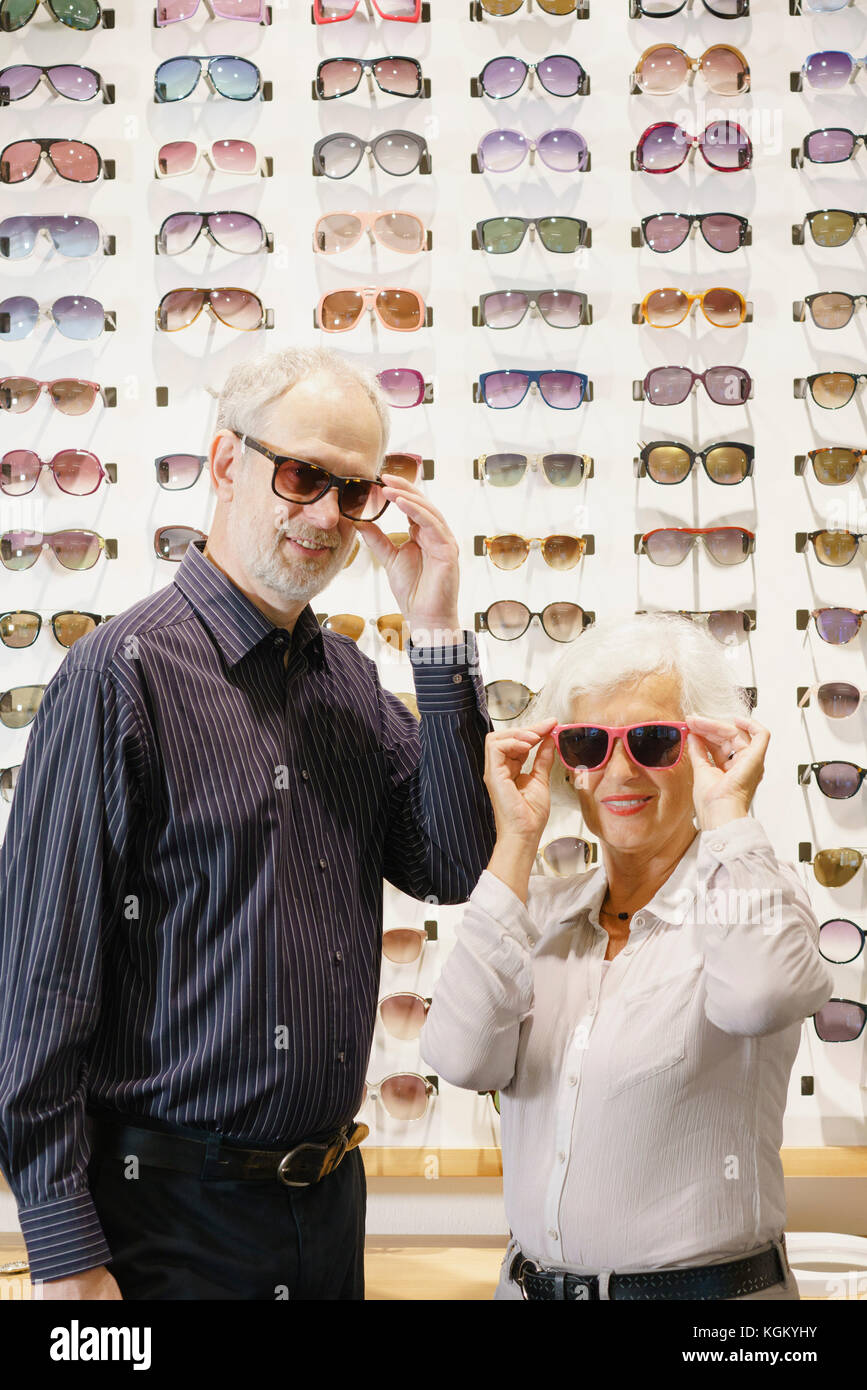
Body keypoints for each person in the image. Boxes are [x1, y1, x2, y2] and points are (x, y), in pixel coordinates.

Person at [0, 345, 496, 1301]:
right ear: (226, 464)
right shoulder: (120, 677)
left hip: (325, 1211)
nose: (325, 516)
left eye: (353, 492)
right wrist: (64, 1254)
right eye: (302, 473)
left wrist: (434, 634)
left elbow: (454, 860)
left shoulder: (349, 684)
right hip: (157, 1227)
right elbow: (38, 989)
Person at [421, 614, 833, 1302]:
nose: (618, 769)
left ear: (705, 749)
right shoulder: (545, 913)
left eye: (652, 741)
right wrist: (515, 842)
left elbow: (759, 998)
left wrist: (728, 806)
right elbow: (462, 1057)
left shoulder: (746, 900)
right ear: (568, 768)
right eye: (587, 743)